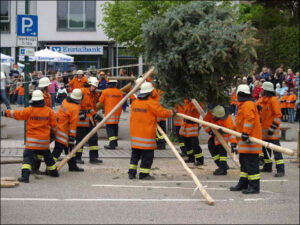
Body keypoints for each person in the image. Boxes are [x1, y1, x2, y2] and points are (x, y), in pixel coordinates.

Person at [1, 90, 59, 183]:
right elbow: (55, 126)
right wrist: (54, 133)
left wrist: (4, 113)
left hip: (32, 143)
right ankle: (54, 172)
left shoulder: (29, 110)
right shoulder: (49, 111)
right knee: (48, 158)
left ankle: (25, 177)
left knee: (27, 159)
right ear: (42, 100)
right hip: (44, 143)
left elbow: (17, 114)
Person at [128, 82, 174, 180]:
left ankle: (131, 173)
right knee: (147, 156)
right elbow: (162, 113)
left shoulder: (135, 103)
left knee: (135, 154)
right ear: (150, 92)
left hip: (135, 135)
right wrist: (172, 112)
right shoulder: (151, 103)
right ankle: (143, 174)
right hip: (146, 136)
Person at [230, 84, 262, 194]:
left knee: (252, 165)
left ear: (240, 94)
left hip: (250, 141)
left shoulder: (248, 105)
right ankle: (243, 183)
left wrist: (245, 133)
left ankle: (254, 187)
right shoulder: (243, 105)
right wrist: (235, 141)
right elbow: (239, 125)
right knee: (244, 164)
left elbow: (250, 119)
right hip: (244, 142)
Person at [52, 89, 84, 172]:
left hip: (57, 127)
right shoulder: (75, 108)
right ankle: (50, 168)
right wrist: (72, 138)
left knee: (69, 150)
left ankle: (72, 166)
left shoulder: (65, 101)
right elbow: (73, 124)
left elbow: (66, 114)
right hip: (63, 130)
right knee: (58, 150)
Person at [258, 82, 284, 177]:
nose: (261, 90)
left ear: (266, 90)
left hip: (272, 132)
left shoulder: (274, 100)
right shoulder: (262, 101)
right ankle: (268, 167)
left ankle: (280, 169)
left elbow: (278, 115)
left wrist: (273, 128)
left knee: (276, 151)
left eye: (263, 89)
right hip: (264, 132)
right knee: (265, 150)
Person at [203, 105, 237, 175]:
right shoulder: (210, 114)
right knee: (211, 146)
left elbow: (231, 133)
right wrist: (210, 131)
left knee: (222, 152)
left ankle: (223, 169)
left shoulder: (228, 120)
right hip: (214, 135)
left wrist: (233, 143)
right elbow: (205, 123)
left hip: (224, 139)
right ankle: (221, 165)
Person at [76, 77, 102, 164]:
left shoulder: (94, 94)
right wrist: (79, 112)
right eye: (93, 86)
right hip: (81, 120)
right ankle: (77, 158)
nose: (94, 88)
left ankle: (93, 158)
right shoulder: (82, 91)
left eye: (95, 87)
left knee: (94, 138)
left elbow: (92, 107)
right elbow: (75, 102)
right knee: (80, 139)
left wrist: (95, 115)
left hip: (90, 119)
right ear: (89, 85)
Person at [98, 80, 123, 150]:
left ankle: (112, 144)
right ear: (115, 84)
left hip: (109, 112)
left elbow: (101, 101)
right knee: (115, 127)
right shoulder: (119, 92)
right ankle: (115, 142)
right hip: (117, 113)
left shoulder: (105, 91)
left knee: (109, 128)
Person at [179, 99, 204, 166]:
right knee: (187, 143)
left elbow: (199, 109)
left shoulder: (197, 103)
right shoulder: (186, 102)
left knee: (194, 144)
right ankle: (191, 158)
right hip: (185, 124)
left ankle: (200, 160)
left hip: (193, 125)